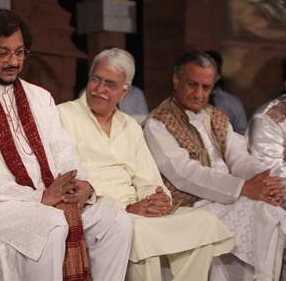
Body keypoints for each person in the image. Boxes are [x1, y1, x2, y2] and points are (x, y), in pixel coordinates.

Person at [0, 9, 132, 281]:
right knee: (52, 224)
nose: (14, 61)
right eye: (3, 53)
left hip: (49, 193)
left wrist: (81, 185)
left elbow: (64, 151)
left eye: (19, 52)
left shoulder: (39, 96)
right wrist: (39, 197)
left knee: (116, 221)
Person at [58, 48, 234, 281]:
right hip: (99, 212)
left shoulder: (130, 126)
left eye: (109, 84)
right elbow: (71, 180)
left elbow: (149, 178)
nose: (100, 89)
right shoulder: (64, 115)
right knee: (140, 233)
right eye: (95, 80)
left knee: (203, 223)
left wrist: (157, 199)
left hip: (136, 208)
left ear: (125, 91)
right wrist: (126, 209)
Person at [143, 50, 286, 281]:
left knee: (270, 210)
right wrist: (243, 188)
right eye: (192, 84)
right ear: (176, 79)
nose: (199, 94)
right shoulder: (158, 123)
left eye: (206, 87)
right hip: (191, 204)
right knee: (265, 212)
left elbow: (240, 158)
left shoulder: (215, 116)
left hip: (230, 196)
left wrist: (266, 181)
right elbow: (185, 174)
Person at [206, 50, 248, 135]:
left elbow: (243, 135)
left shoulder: (232, 104)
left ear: (218, 75)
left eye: (211, 70)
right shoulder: (187, 101)